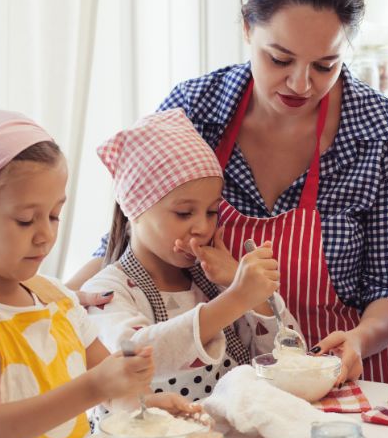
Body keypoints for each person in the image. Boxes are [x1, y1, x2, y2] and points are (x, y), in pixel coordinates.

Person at [69, 0, 388, 384]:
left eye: (325, 65)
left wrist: (358, 340)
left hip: (346, 375)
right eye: (280, 59)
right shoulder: (195, 110)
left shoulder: (384, 133)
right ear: (246, 28)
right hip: (227, 384)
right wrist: (53, 300)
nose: (301, 82)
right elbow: (131, 230)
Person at [0, 109, 192, 438]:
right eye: (25, 220)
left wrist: (147, 406)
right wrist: (95, 387)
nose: (45, 235)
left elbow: (112, 393)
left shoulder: (54, 297)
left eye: (54, 215)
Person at [81, 109, 286, 402]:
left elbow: (284, 358)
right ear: (134, 210)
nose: (203, 227)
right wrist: (236, 298)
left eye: (212, 211)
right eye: (184, 213)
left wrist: (256, 297)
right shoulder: (105, 293)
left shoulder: (215, 282)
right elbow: (137, 353)